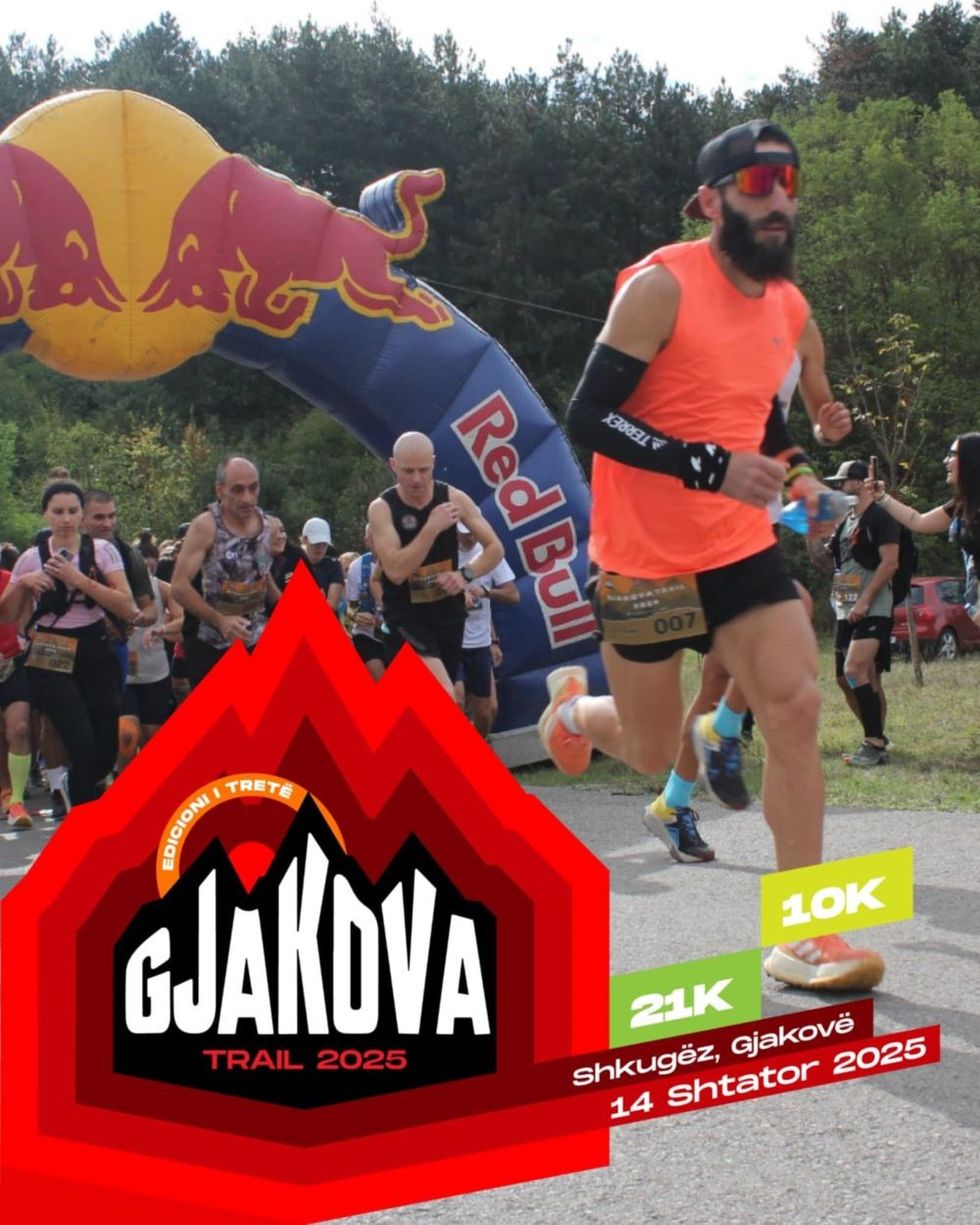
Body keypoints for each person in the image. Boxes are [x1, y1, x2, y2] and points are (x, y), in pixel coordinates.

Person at [539, 119, 884, 991]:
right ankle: (574, 711)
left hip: (737, 548)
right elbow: (588, 417)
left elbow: (759, 423)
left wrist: (801, 483)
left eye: (788, 182)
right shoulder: (660, 287)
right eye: (756, 182)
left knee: (795, 705)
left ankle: (805, 933)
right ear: (709, 200)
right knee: (652, 745)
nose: (777, 199)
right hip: (644, 557)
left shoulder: (786, 307)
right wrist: (705, 465)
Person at [0, 480, 138, 806]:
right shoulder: (31, 558)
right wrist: (24, 584)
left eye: (72, 511)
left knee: (106, 742)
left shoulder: (102, 551)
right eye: (58, 511)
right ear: (45, 514)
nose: (65, 519)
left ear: (82, 514)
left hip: (94, 644)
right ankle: (83, 810)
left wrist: (80, 580)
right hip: (50, 648)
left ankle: (82, 791)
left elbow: (126, 605)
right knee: (79, 738)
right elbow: (7, 615)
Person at [369, 431, 504, 699]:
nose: (417, 479)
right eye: (408, 471)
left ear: (433, 462)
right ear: (393, 465)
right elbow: (395, 571)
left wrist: (465, 575)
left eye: (423, 470)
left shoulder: (454, 498)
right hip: (406, 615)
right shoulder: (382, 508)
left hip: (448, 613)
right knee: (445, 695)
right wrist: (431, 527)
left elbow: (495, 548)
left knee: (434, 702)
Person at [171, 457, 278, 689]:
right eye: (237, 490)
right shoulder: (206, 526)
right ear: (220, 490)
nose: (247, 498)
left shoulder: (267, 525)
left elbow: (262, 572)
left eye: (253, 488)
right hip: (211, 645)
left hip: (254, 639)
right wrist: (219, 620)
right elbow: (178, 586)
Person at [819, 460, 899, 767]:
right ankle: (875, 735)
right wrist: (810, 531)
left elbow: (890, 563)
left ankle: (874, 742)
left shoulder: (880, 516)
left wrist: (865, 601)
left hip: (873, 606)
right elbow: (828, 561)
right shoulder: (846, 520)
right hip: (845, 604)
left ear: (860, 482)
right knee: (845, 677)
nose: (839, 488)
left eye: (843, 482)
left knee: (857, 671)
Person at [868, 433, 980, 614]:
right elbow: (919, 521)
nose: (945, 461)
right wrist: (881, 497)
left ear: (971, 459)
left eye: (952, 454)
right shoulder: (962, 505)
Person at [118, 543, 184, 769]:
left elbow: (183, 619)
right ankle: (123, 781)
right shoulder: (111, 589)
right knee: (126, 735)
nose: (146, 563)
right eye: (140, 559)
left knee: (152, 739)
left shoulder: (162, 587)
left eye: (149, 558)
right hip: (122, 673)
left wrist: (162, 629)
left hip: (155, 672)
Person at [454, 522, 520, 737]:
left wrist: (485, 591)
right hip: (450, 640)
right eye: (465, 534)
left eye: (473, 532)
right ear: (455, 532)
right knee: (456, 699)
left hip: (479, 641)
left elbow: (513, 595)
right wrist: (456, 597)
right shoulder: (444, 554)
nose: (470, 538)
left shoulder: (490, 552)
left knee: (487, 711)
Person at [0, 563, 32, 827]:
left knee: (19, 729)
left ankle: (17, 803)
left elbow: (26, 623)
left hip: (13, 664)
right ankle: (5, 792)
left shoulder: (11, 581)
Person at [345, 524, 385, 680]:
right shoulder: (356, 567)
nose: (379, 542)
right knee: (379, 676)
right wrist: (356, 616)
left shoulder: (400, 564)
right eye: (374, 539)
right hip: (367, 636)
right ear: (366, 541)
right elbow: (349, 611)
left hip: (396, 634)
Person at [300, 517, 345, 612]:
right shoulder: (292, 563)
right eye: (316, 543)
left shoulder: (333, 565)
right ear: (304, 540)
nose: (320, 548)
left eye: (324, 543)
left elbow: (332, 605)